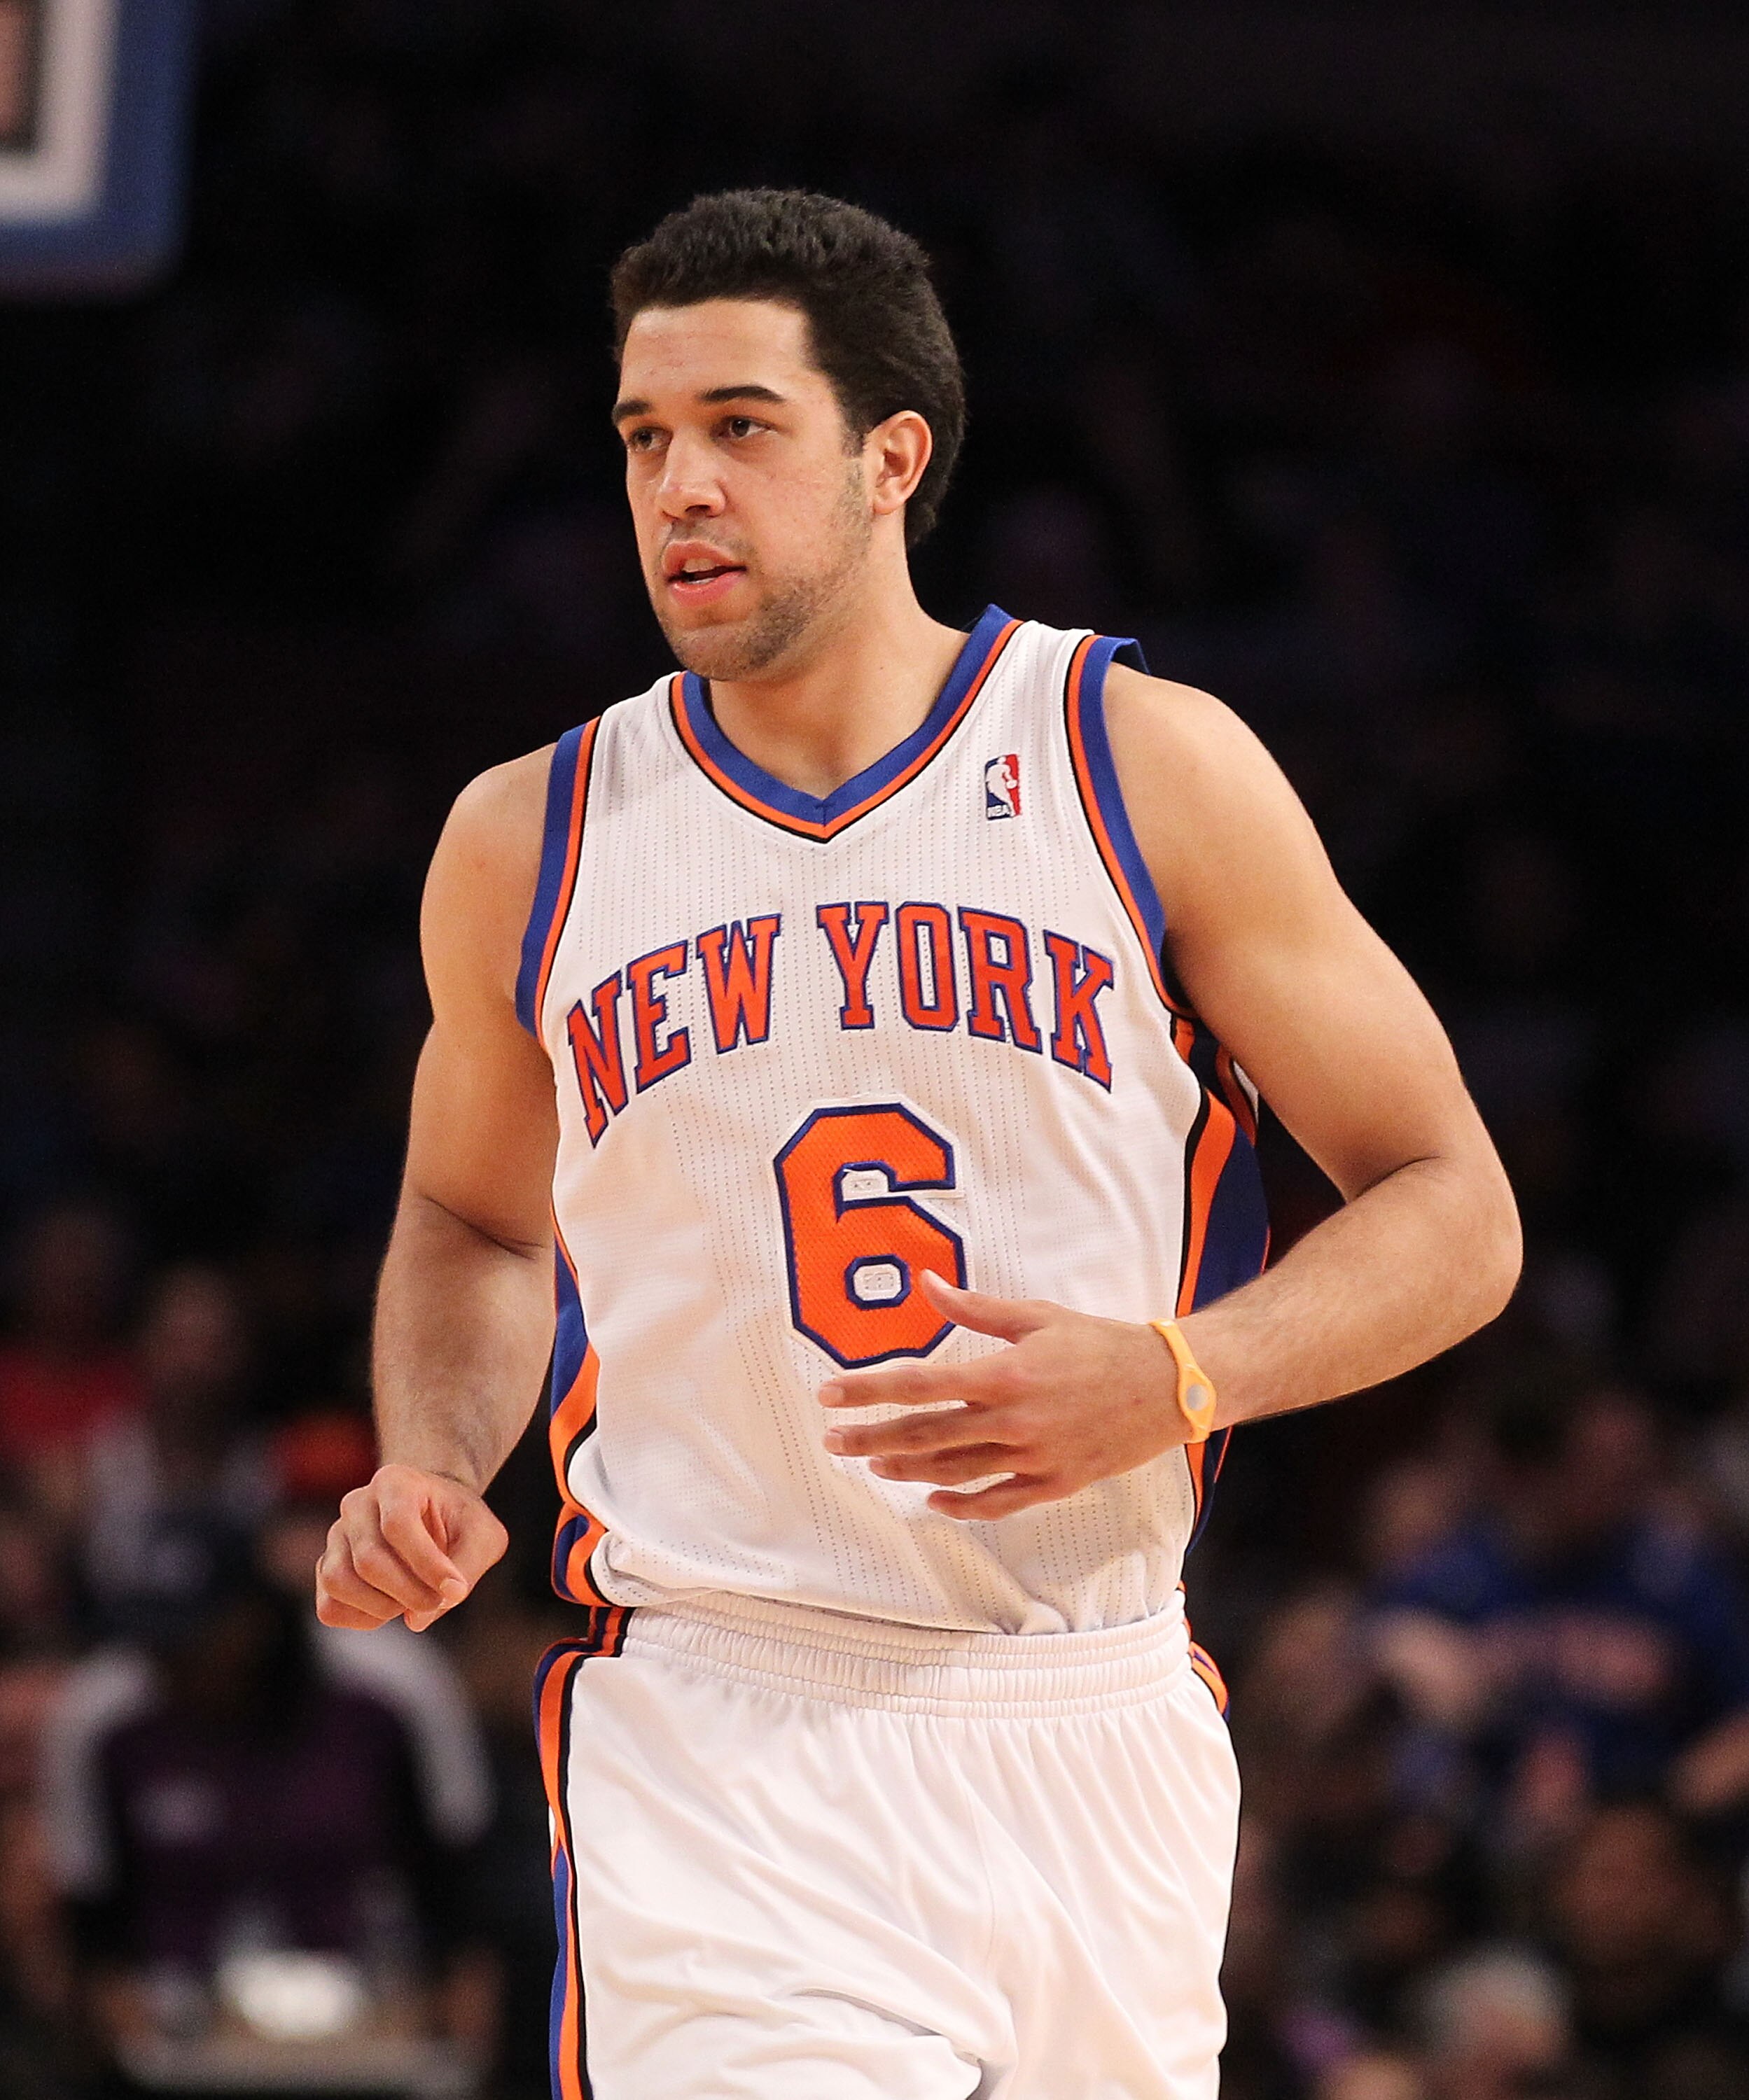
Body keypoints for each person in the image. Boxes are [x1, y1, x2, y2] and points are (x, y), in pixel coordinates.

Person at [316, 190, 1520, 2099]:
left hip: (1094, 1712)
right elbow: (469, 1217)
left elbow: (1453, 1209)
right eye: (642, 439)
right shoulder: (528, 839)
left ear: (892, 456)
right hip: (723, 1716)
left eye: (738, 427)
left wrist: (1181, 1375)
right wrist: (436, 1458)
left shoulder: (1135, 761)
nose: (677, 487)